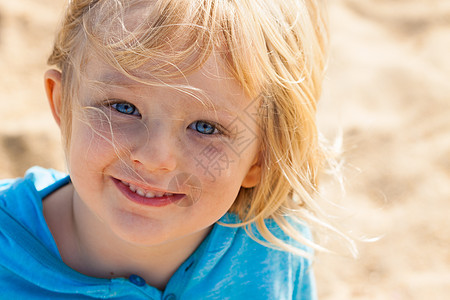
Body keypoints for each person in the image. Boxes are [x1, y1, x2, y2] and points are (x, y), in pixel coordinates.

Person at [0, 0, 339, 298]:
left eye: (206, 128)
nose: (155, 158)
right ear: (62, 103)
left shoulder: (271, 250)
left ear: (260, 158)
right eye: (123, 107)